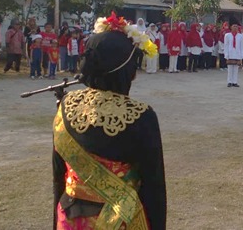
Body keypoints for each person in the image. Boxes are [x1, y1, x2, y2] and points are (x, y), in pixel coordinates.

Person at [52, 12, 165, 229]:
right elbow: (154, 189)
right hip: (120, 220)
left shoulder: (66, 104)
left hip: (69, 217)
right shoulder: (142, 116)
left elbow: (59, 178)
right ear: (128, 72)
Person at [224, 23, 243, 87]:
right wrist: (226, 54)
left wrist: (241, 56)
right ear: (231, 27)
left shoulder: (240, 36)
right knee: (230, 69)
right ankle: (229, 82)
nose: (235, 28)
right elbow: (226, 45)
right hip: (230, 53)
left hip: (237, 54)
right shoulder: (227, 35)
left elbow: (241, 46)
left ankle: (235, 82)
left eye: (236, 26)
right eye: (234, 26)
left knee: (236, 69)